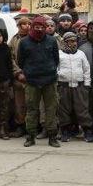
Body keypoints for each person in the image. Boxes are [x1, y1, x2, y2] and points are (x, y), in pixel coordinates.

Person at [17, 16, 60, 148]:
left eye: (42, 27)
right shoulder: (24, 42)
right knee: (32, 109)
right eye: (37, 27)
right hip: (32, 82)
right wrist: (29, 72)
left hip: (49, 81)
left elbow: (56, 59)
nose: (39, 29)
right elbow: (20, 61)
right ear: (32, 27)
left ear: (45, 28)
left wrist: (50, 69)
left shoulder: (52, 41)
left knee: (51, 109)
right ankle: (30, 137)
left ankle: (52, 137)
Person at [57, 33, 92, 143]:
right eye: (70, 41)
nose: (73, 43)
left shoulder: (81, 54)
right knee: (64, 109)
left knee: (82, 108)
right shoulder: (59, 54)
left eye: (74, 41)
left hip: (79, 85)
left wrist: (87, 84)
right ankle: (65, 131)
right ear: (65, 42)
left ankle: (87, 131)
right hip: (63, 85)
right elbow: (55, 68)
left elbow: (86, 69)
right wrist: (60, 75)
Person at [8, 17, 31, 137]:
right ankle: (20, 127)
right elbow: (10, 58)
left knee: (32, 104)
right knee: (19, 105)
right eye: (24, 24)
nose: (27, 26)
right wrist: (18, 73)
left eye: (29, 24)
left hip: (31, 78)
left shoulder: (33, 38)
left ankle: (32, 127)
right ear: (19, 26)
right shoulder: (14, 40)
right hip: (18, 78)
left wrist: (29, 73)